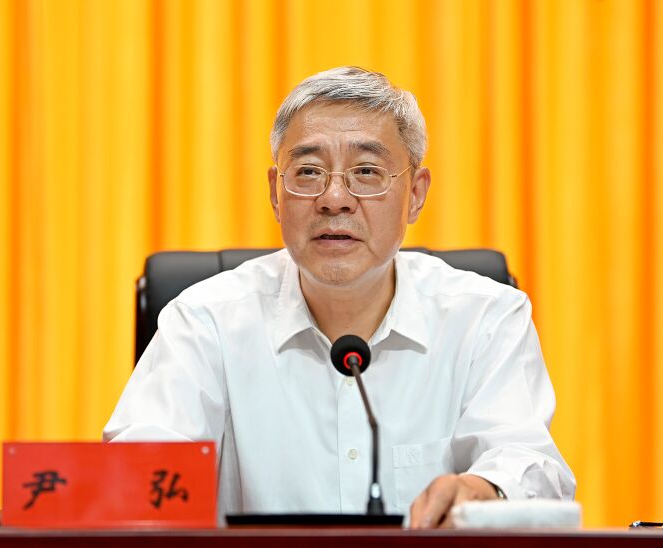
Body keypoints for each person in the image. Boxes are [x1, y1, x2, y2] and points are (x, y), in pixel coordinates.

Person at [103, 66, 575, 527]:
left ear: (415, 194)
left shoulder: (485, 318)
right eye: (308, 172)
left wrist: (485, 490)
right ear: (276, 193)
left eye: (366, 172)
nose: (334, 199)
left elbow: (527, 461)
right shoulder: (205, 321)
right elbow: (141, 468)